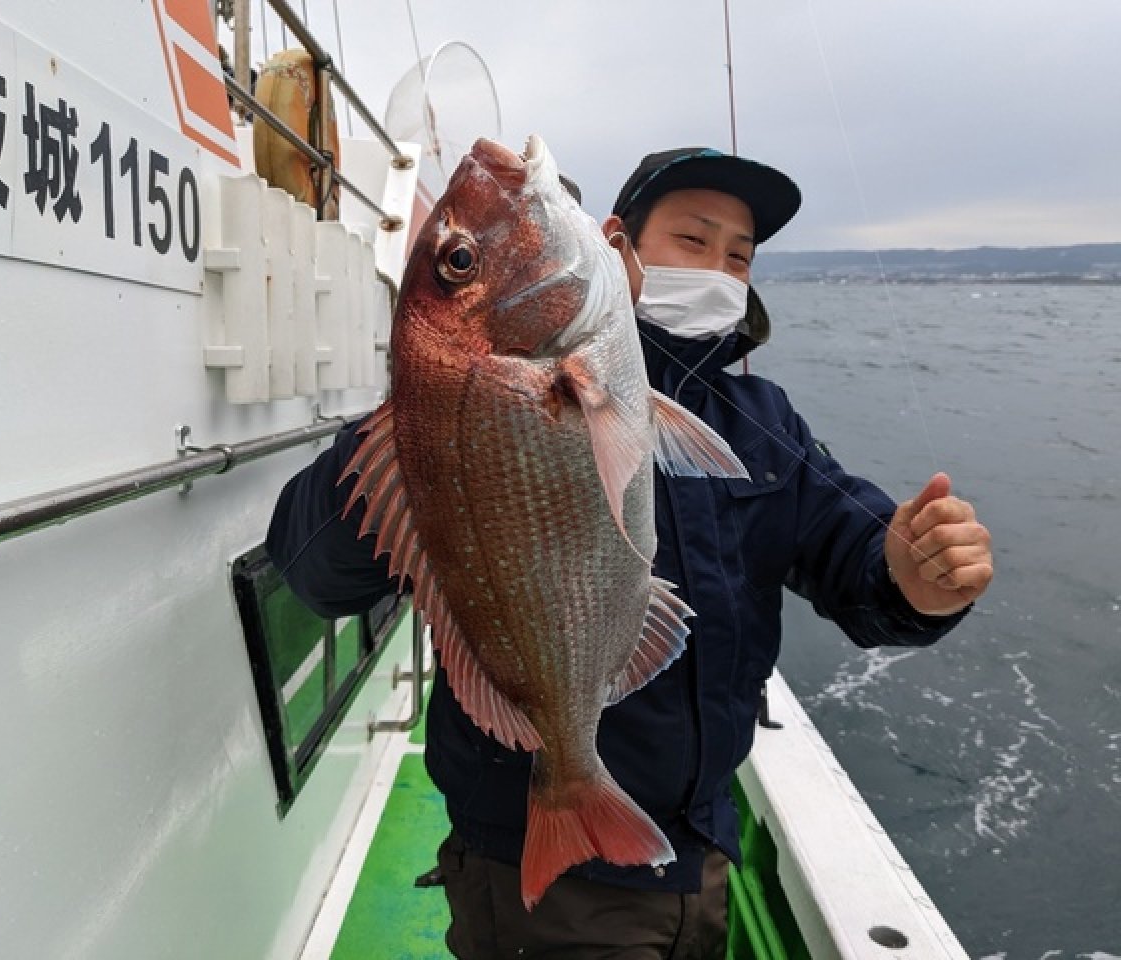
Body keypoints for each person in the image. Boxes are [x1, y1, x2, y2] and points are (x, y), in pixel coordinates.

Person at [265, 146, 994, 959]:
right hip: (542, 886)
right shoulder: (450, 400)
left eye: (740, 256)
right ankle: (565, 792)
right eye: (694, 239)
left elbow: (856, 559)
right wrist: (425, 412)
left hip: (700, 859)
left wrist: (918, 580)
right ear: (616, 245)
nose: (718, 268)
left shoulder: (762, 417)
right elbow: (311, 571)